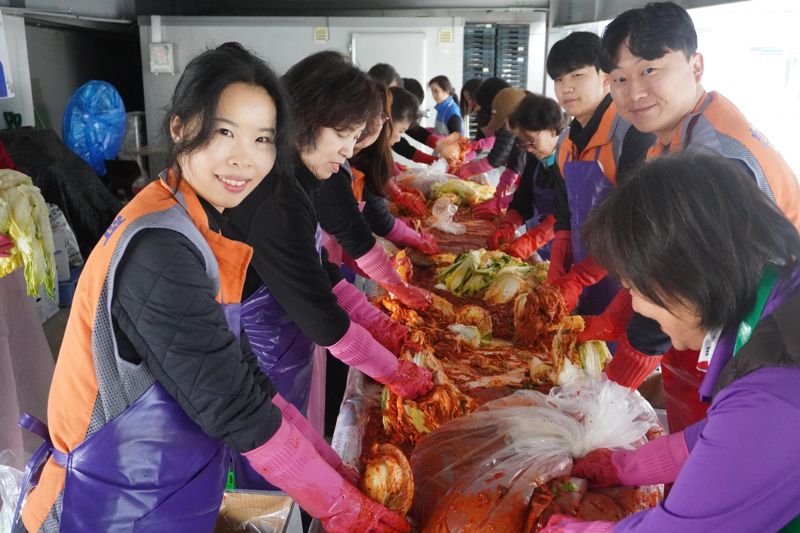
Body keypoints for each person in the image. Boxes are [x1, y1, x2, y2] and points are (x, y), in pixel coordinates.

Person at [15, 43, 411, 533]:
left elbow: (245, 374)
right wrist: (344, 509)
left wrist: (331, 465)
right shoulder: (158, 246)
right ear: (180, 127)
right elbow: (234, 405)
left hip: (164, 495)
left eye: (263, 139)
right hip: (103, 507)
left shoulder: (194, 224)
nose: (245, 159)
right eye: (226, 132)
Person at [541, 152, 800, 533]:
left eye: (633, 290)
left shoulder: (773, 386)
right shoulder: (777, 298)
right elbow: (721, 438)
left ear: (681, 274)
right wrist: (622, 467)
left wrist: (563, 529)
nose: (635, 306)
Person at [598, 0, 800, 432]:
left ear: (696, 65)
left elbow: (682, 278)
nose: (634, 92)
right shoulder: (672, 138)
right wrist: (617, 315)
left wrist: (624, 374)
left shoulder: (715, 154)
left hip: (762, 351)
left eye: (650, 69)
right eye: (619, 78)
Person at [542, 31, 666, 392]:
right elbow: (564, 211)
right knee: (578, 367)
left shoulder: (632, 133)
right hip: (585, 270)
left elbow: (632, 223)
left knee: (614, 373)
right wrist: (559, 262)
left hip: (625, 279)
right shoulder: (567, 141)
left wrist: (579, 277)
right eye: (559, 80)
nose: (566, 88)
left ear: (604, 77)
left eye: (577, 75)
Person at [484, 94, 566, 260]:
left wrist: (533, 240)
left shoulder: (572, 157)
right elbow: (524, 198)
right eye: (522, 142)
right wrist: (508, 224)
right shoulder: (536, 157)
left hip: (567, 248)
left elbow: (568, 211)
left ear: (552, 130)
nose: (528, 148)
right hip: (540, 247)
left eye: (531, 140)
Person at [359, 86, 438, 255]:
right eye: (401, 131)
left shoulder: (367, 154)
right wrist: (415, 238)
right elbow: (379, 219)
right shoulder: (358, 156)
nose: (399, 138)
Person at [463, 87, 528, 214]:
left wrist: (502, 201)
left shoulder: (534, 144)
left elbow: (539, 196)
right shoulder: (522, 136)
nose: (508, 131)